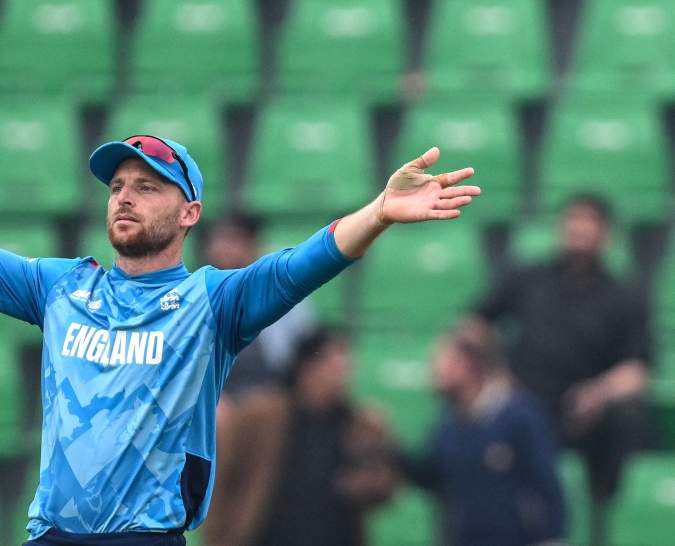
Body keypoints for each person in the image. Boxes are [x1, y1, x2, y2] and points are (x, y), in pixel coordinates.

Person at [0, 134, 479, 545]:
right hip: (51, 536)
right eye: (118, 186)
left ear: (189, 213)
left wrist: (379, 213)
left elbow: (301, 265)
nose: (125, 196)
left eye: (147, 186)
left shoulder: (212, 302)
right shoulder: (62, 288)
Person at [469, 195, 652, 544]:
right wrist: (494, 375)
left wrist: (599, 392)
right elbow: (474, 324)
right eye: (574, 219)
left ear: (607, 234)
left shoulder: (623, 297)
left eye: (591, 222)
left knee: (624, 420)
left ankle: (602, 515)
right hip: (520, 403)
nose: (581, 229)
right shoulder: (528, 278)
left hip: (579, 413)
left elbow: (637, 369)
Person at [206, 331, 398, 546]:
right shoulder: (258, 418)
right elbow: (221, 477)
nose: (340, 378)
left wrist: (368, 483)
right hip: (265, 536)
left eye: (345, 369)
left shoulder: (358, 424)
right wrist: (218, 535)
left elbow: (388, 481)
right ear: (306, 369)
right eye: (332, 368)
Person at [405, 323, 566, 546]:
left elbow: (546, 485)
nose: (436, 370)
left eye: (445, 360)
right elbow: (431, 475)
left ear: (469, 364)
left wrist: (551, 540)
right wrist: (389, 450)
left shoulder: (520, 417)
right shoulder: (448, 423)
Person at [203, 217, 316, 396]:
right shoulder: (196, 291)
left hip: (271, 385)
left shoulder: (282, 285)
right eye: (220, 240)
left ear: (253, 245)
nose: (224, 248)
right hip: (215, 389)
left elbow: (303, 346)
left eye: (234, 240)